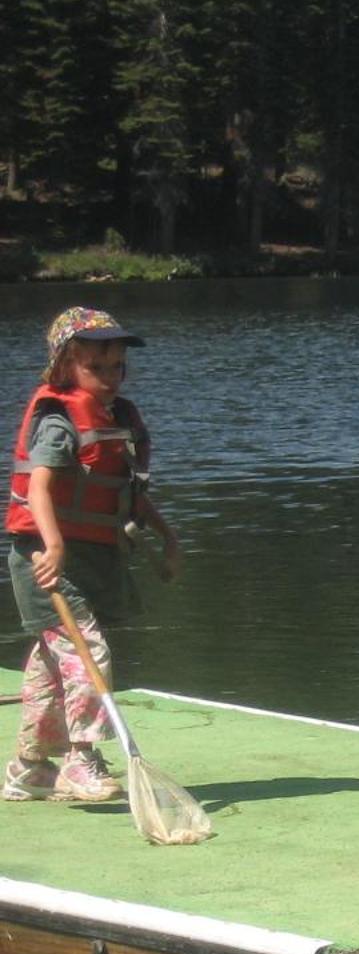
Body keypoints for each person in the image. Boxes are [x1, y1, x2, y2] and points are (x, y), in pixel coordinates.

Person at [5, 307, 181, 804]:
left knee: (50, 661)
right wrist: (55, 546)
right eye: (95, 368)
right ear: (65, 366)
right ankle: (82, 758)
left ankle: (29, 767)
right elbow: (39, 488)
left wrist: (168, 540)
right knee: (88, 650)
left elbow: (128, 494)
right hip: (46, 557)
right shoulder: (59, 422)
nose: (109, 379)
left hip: (96, 557)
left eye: (116, 367)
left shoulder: (119, 419)